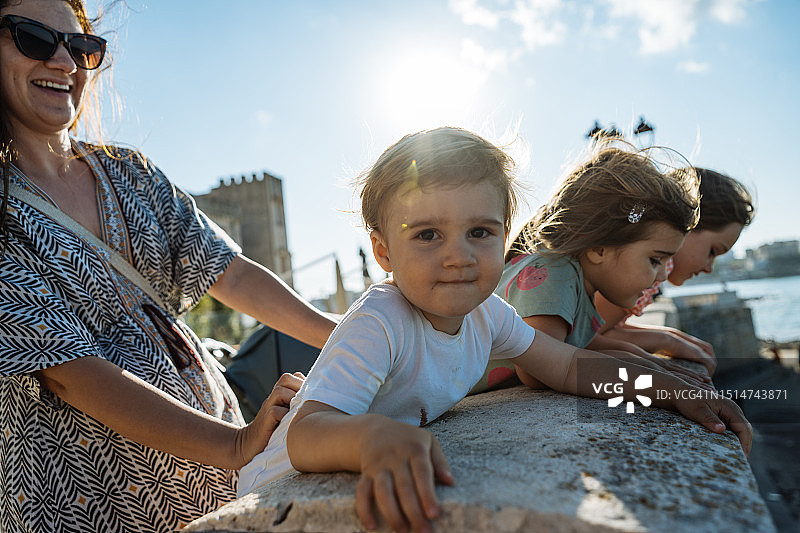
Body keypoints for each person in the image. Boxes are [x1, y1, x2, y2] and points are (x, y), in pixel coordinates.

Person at [237, 127, 752, 533]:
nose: (459, 256)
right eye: (428, 234)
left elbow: (568, 366)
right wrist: (372, 438)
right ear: (383, 251)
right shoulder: (379, 321)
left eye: (480, 232)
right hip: (272, 490)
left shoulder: (488, 313)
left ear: (506, 234)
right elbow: (306, 433)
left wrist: (662, 387)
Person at [0, 1, 336, 531]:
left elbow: (230, 272)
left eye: (82, 47)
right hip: (96, 506)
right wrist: (234, 444)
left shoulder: (128, 171)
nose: (64, 62)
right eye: (34, 39)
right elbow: (71, 374)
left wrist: (351, 337)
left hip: (223, 479)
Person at [492, 142, 712, 392]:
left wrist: (644, 359)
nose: (662, 274)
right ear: (599, 249)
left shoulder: (573, 279)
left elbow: (578, 346)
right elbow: (539, 369)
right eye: (655, 260)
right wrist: (658, 385)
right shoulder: (554, 274)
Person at [594, 168, 755, 373]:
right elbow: (585, 336)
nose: (709, 267)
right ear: (686, 225)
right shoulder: (642, 272)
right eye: (712, 251)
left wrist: (671, 337)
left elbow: (604, 327)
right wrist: (669, 342)